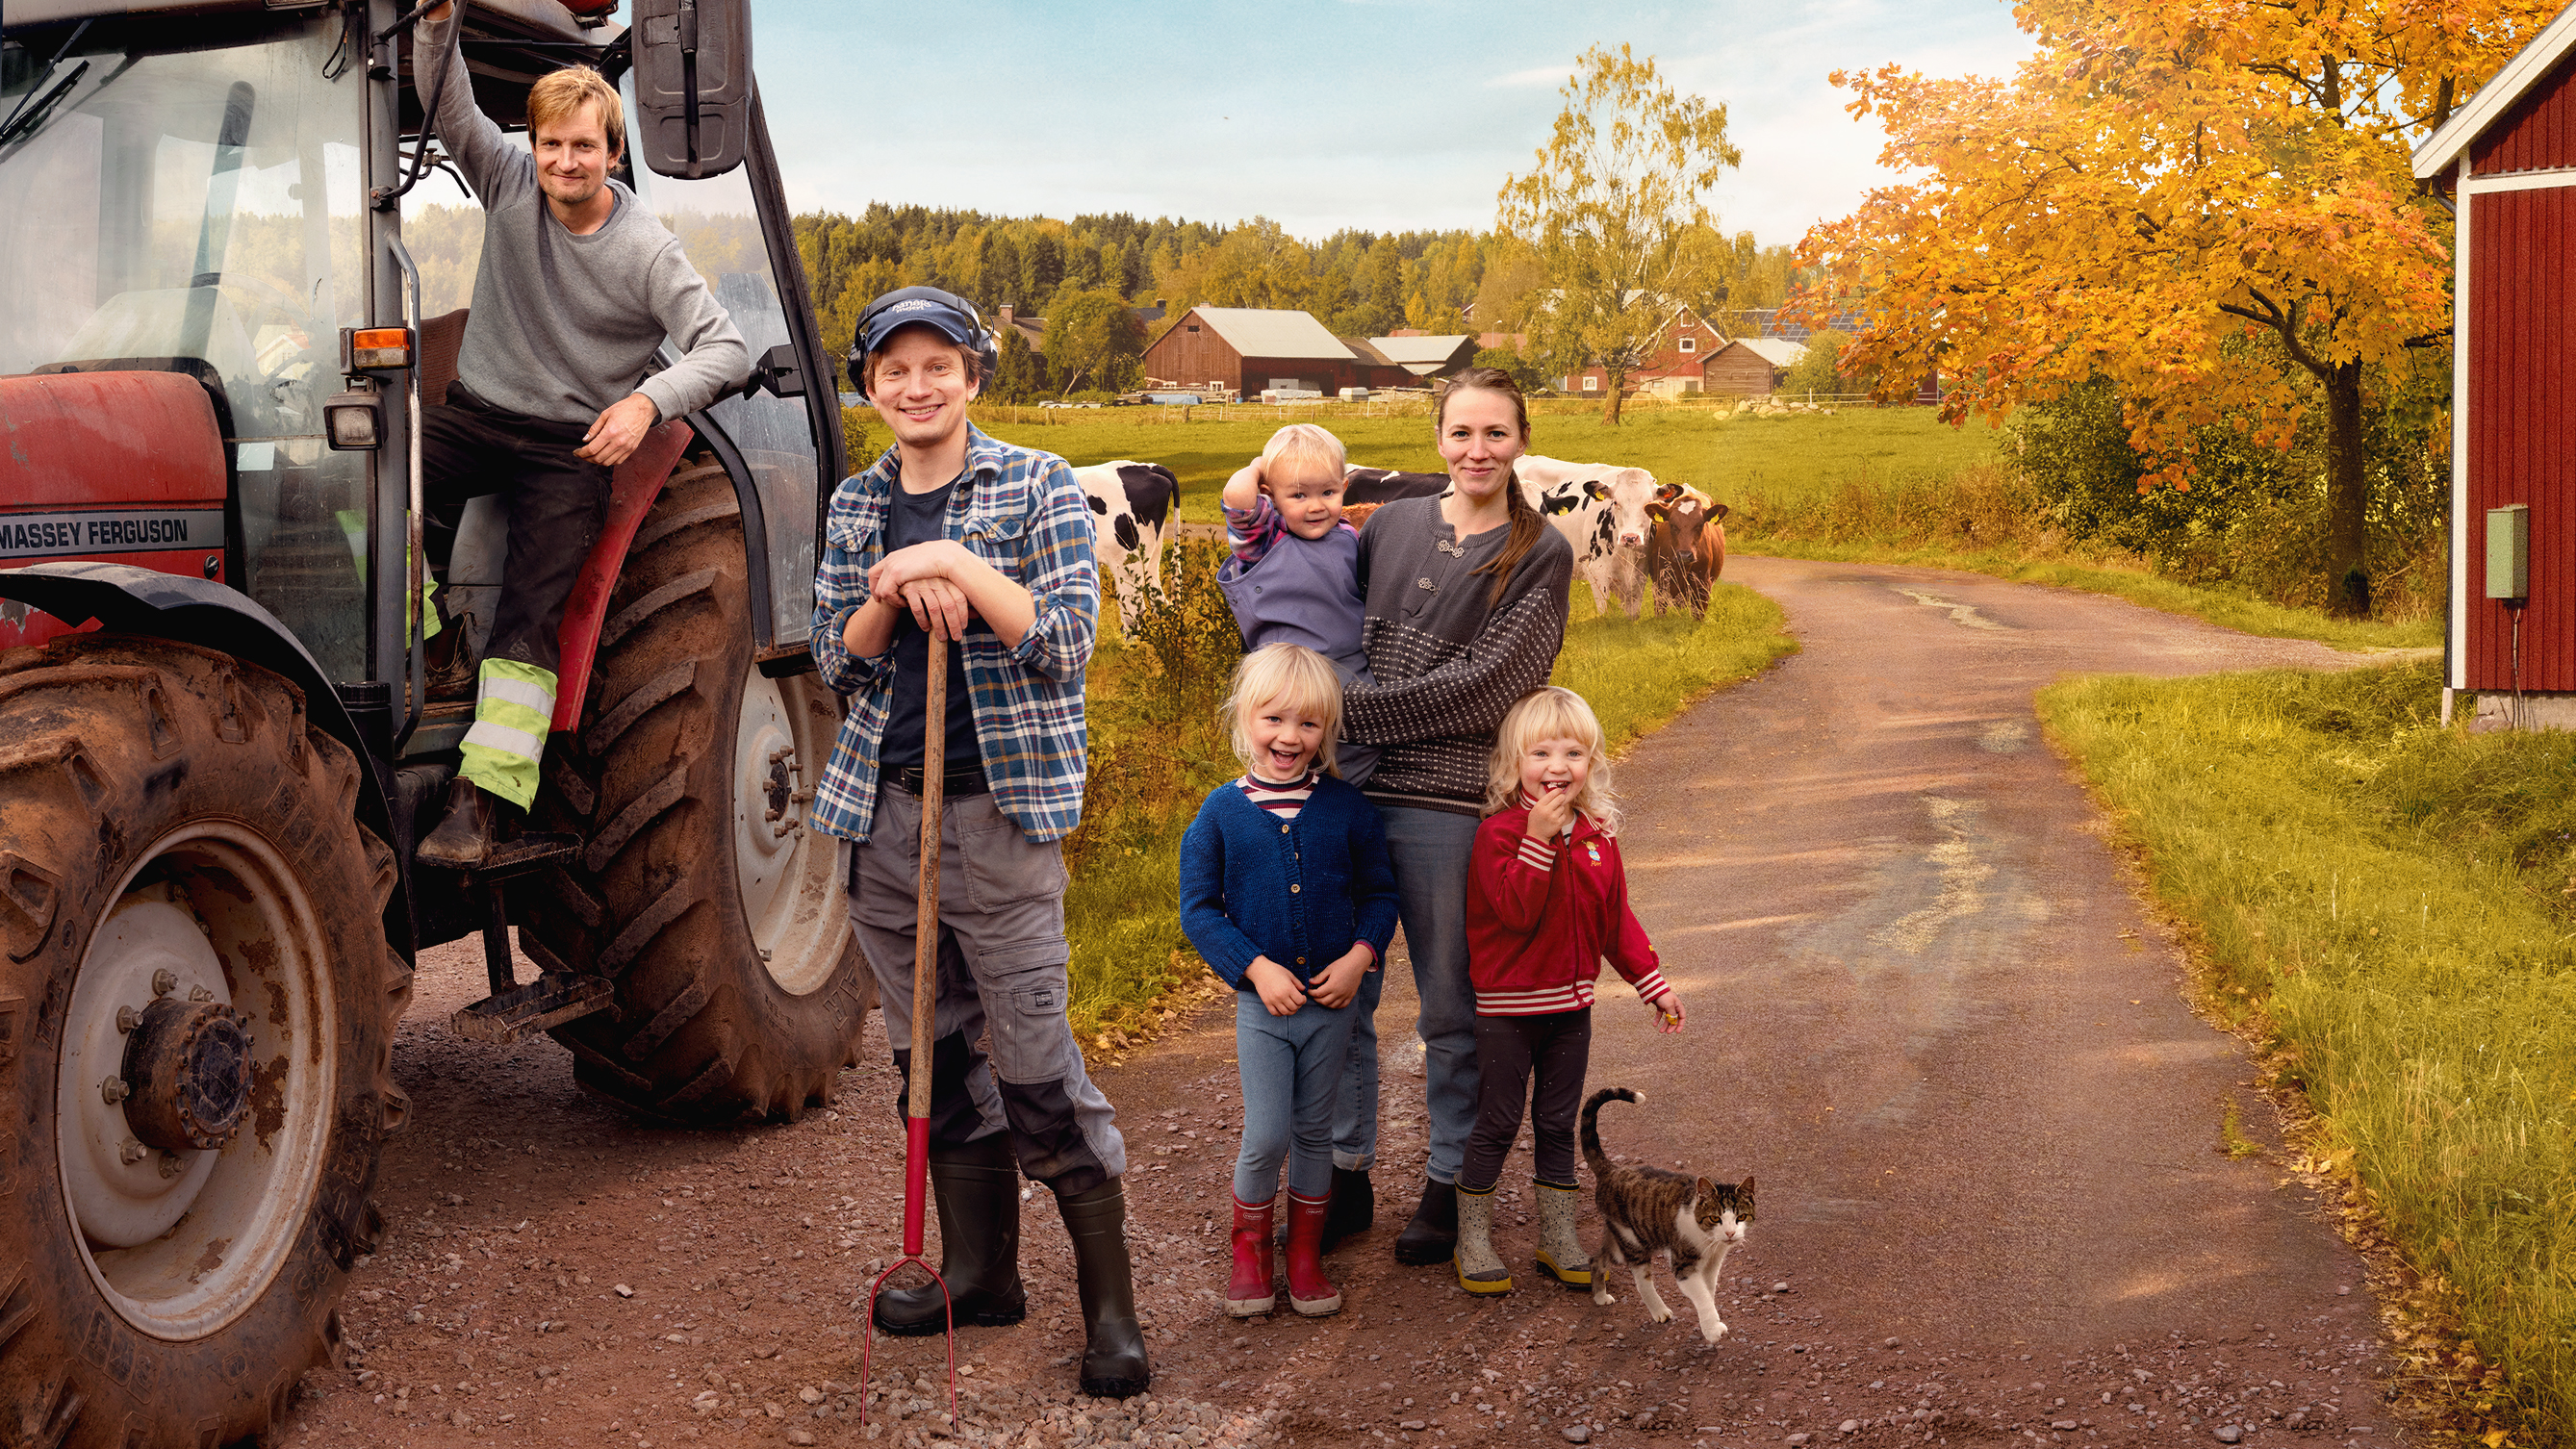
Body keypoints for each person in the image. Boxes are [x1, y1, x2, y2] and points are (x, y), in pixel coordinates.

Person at [808, 285, 1146, 1398]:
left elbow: (1060, 641)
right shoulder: (858, 500)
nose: (916, 387)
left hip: (998, 821)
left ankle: (1111, 1314)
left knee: (1036, 1065)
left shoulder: (1037, 483)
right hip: (884, 819)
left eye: (936, 366)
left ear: (973, 377)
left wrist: (951, 565)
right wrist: (893, 587)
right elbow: (836, 663)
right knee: (936, 1058)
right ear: (870, 389)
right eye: (893, 371)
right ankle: (978, 1275)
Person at [412, 0, 748, 867]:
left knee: (532, 614)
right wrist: (434, 22)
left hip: (570, 445)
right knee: (354, 481)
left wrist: (646, 404)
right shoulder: (508, 183)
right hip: (480, 414)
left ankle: (482, 796)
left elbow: (727, 347)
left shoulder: (645, 250)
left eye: (584, 146)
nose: (565, 160)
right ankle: (425, 638)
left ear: (612, 153)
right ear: (534, 148)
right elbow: (448, 104)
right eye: (551, 143)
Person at [1331, 368, 1574, 1266]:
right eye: (1461, 433)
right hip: (1346, 795)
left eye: (1496, 435)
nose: (1477, 450)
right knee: (1341, 993)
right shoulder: (1386, 524)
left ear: (1520, 442)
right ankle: (1343, 1172)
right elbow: (1329, 620)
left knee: (1450, 1007)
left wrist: (1343, 711)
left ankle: (1449, 1182)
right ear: (1437, 438)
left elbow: (1492, 688)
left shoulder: (1538, 550)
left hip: (1448, 802)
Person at [1178, 644, 1399, 1318]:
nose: (1289, 737)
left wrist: (1362, 954)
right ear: (1244, 718)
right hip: (1263, 1012)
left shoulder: (1346, 809)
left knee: (1314, 1136)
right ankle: (1250, 1253)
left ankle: (1303, 1254)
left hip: (1331, 1007)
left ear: (1325, 730)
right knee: (1267, 1135)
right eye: (1273, 719)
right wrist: (1254, 966)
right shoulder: (1220, 814)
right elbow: (1199, 910)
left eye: (1307, 724)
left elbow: (1378, 895)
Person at [1453, 685, 1683, 1294]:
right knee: (1498, 1121)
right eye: (1541, 754)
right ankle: (1471, 1236)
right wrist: (1535, 837)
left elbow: (1615, 921)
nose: (1558, 767)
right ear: (1514, 764)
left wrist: (1650, 983)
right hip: (1509, 1009)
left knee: (1557, 1123)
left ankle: (1557, 1238)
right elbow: (1515, 913)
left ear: (1593, 762)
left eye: (1574, 754)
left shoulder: (1599, 836)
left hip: (1571, 1008)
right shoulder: (1499, 835)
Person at [1216, 424, 1378, 786]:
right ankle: (1293, 803)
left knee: (1362, 748)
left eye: (1328, 492)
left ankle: (1344, 805)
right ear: (1269, 496)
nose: (1317, 506)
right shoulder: (1264, 539)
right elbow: (1237, 496)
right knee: (1293, 749)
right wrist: (1260, 467)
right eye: (1299, 495)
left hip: (1349, 667)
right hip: (1292, 676)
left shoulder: (1348, 534)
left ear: (1344, 488)